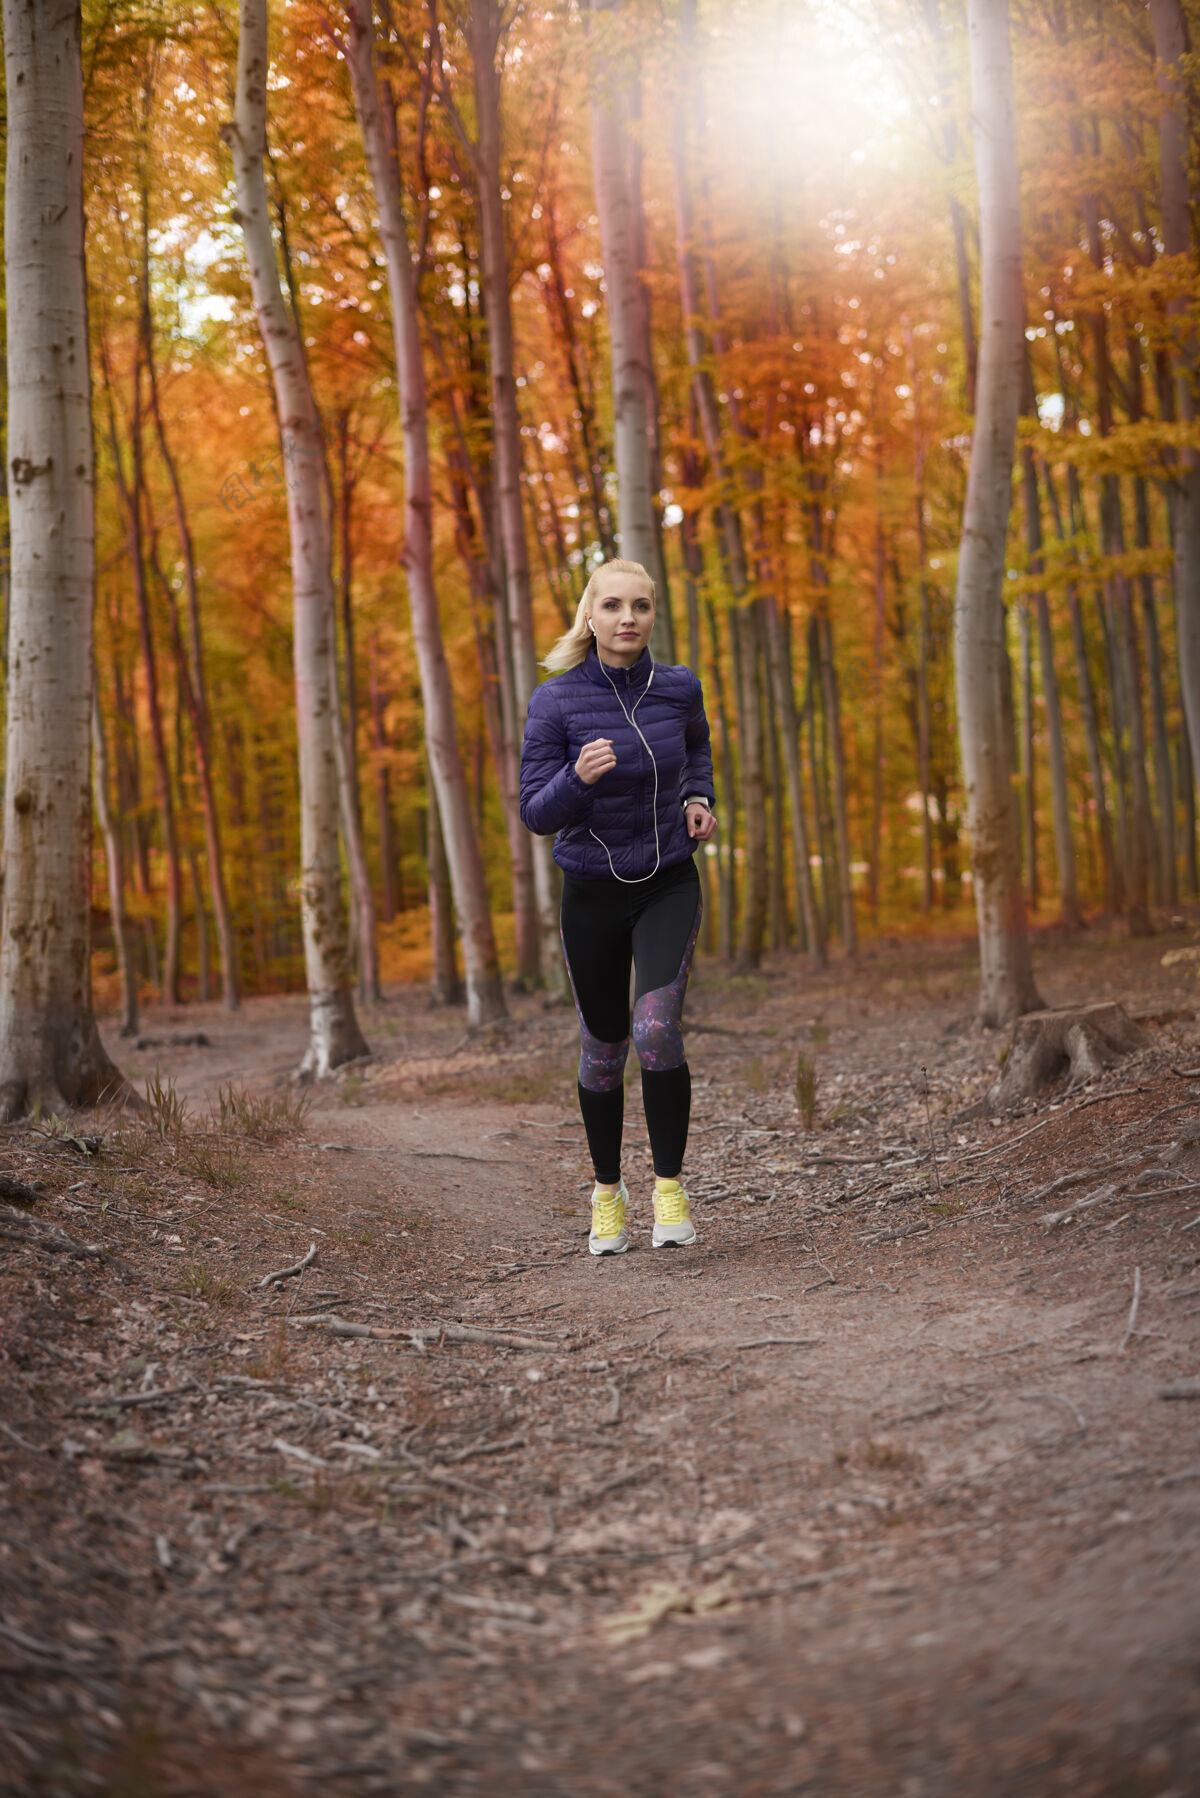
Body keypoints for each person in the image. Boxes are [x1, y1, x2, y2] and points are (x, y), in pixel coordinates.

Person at [519, 558, 718, 1255]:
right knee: (603, 1052)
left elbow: (697, 749)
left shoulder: (677, 688)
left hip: (668, 879)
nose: (627, 618)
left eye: (640, 606)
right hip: (591, 894)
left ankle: (670, 1189)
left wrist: (699, 799)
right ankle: (608, 1193)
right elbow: (535, 813)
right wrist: (576, 778)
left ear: (652, 615)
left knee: (657, 1031)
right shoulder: (556, 702)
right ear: (590, 617)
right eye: (612, 606)